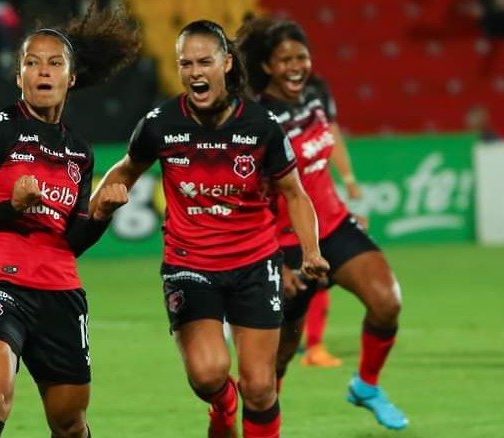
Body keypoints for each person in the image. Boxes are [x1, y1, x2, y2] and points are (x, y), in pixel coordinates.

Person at [91, 20, 329, 438]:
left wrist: (309, 251)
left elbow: (294, 192)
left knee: (260, 386)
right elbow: (128, 168)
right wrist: (99, 202)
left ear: (226, 63)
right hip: (190, 265)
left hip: (255, 263)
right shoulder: (160, 123)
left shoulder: (261, 125)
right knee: (207, 375)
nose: (195, 72)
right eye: (186, 64)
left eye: (205, 62)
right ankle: (222, 406)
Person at [0, 5, 139, 437]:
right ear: (20, 77)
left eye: (54, 63)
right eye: (32, 63)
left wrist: (102, 215)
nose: (42, 71)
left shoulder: (79, 152)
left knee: (70, 423)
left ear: (70, 78)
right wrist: (10, 207)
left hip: (60, 293)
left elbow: (72, 241)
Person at [237, 18, 408, 430]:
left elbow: (327, 142)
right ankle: (258, 423)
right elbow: (250, 196)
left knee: (387, 302)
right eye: (285, 60)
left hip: (332, 225)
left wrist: (347, 187)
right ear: (266, 67)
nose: (296, 67)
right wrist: (273, 259)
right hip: (285, 241)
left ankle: (366, 386)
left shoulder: (317, 94)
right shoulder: (258, 118)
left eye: (302, 57)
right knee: (277, 358)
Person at [299, 75, 364, 368]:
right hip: (283, 211)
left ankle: (313, 345)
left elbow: (332, 134)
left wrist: (348, 181)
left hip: (317, 208)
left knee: (318, 277)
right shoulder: (269, 110)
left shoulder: (317, 94)